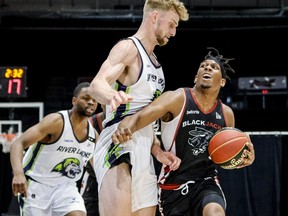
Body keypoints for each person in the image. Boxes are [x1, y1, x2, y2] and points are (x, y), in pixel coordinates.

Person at [112, 47, 256, 216]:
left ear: (222, 82)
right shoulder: (178, 98)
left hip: (206, 182)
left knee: (216, 213)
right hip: (173, 185)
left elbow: (225, 154)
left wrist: (241, 159)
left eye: (213, 67)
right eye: (203, 66)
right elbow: (141, 116)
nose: (207, 68)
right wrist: (125, 126)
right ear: (196, 77)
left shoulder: (226, 114)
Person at [87, 0, 189, 215]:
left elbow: (146, 116)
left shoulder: (157, 65)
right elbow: (96, 85)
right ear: (154, 17)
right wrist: (111, 95)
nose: (173, 32)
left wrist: (156, 149)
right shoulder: (128, 48)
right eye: (171, 24)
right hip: (118, 142)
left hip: (144, 147)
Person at [10, 82, 98, 216]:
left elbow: (99, 168)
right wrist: (18, 173)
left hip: (66, 188)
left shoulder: (93, 136)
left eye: (94, 100)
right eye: (86, 98)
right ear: (74, 101)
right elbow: (18, 143)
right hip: (37, 185)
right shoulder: (57, 122)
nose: (91, 102)